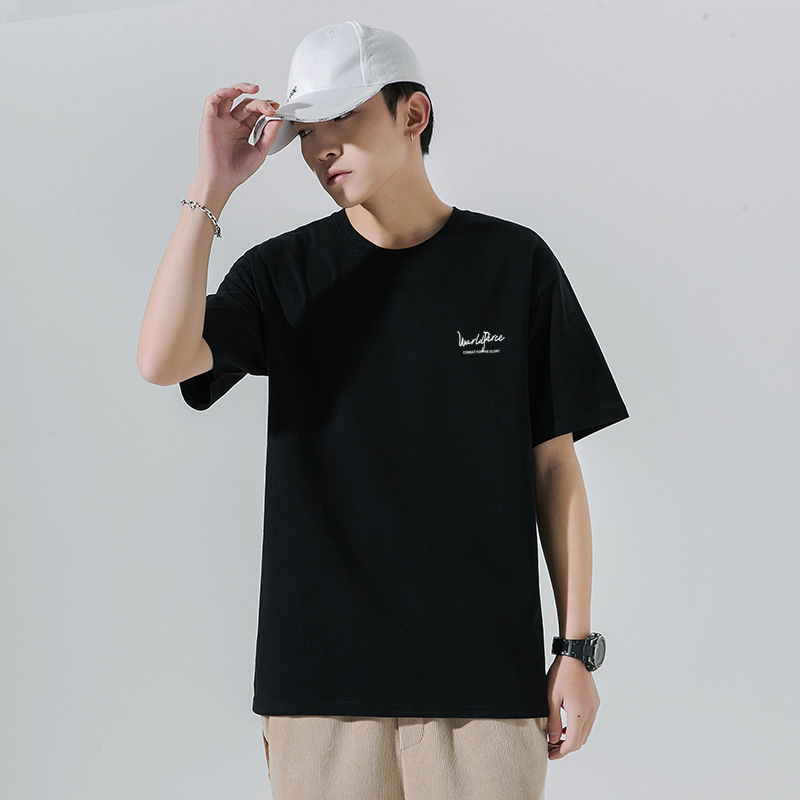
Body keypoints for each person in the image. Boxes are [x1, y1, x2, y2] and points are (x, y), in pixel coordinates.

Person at [137, 20, 629, 800]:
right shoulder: (282, 276)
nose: (321, 147)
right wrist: (212, 185)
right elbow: (162, 360)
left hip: (484, 691)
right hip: (320, 695)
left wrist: (575, 650)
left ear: (413, 113)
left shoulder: (513, 265)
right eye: (307, 130)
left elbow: (554, 467)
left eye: (344, 117)